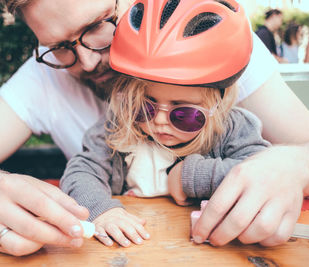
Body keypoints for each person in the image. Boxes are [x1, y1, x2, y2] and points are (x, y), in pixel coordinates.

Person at [0, 0, 309, 256]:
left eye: (96, 26)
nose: (86, 61)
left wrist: (291, 165)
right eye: (60, 46)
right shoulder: (45, 76)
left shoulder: (208, 38)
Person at [60, 0, 270, 247]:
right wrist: (102, 211)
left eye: (184, 115)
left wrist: (190, 176)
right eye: (143, 107)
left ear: (218, 106)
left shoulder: (233, 128)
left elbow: (261, 173)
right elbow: (82, 171)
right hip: (133, 246)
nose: (159, 121)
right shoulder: (117, 124)